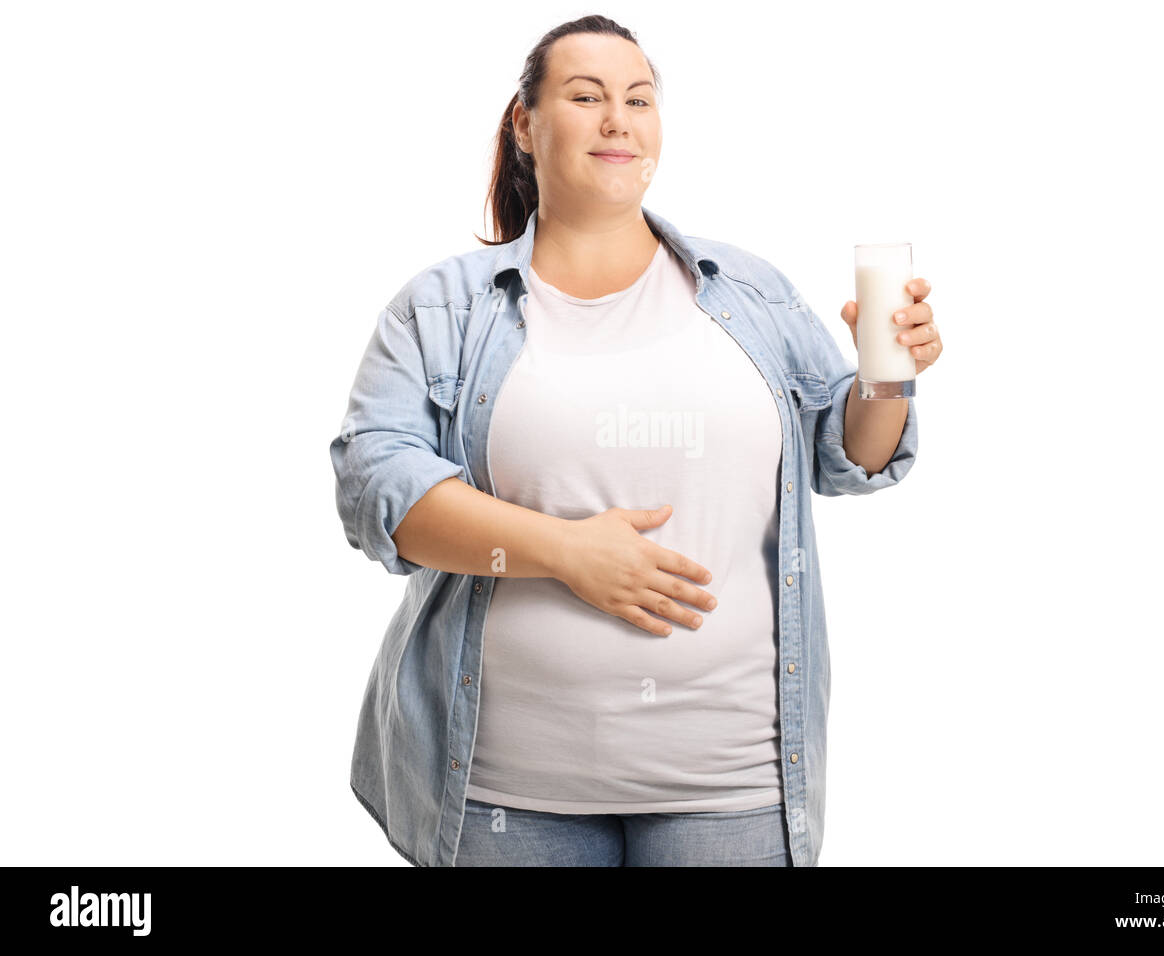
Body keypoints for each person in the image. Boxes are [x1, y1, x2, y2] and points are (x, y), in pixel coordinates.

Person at [329, 15, 942, 867]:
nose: (619, 118)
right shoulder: (441, 308)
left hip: (732, 786)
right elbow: (376, 488)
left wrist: (886, 378)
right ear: (524, 123)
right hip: (506, 792)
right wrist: (568, 553)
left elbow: (852, 456)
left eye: (639, 98)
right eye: (586, 95)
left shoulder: (747, 294)